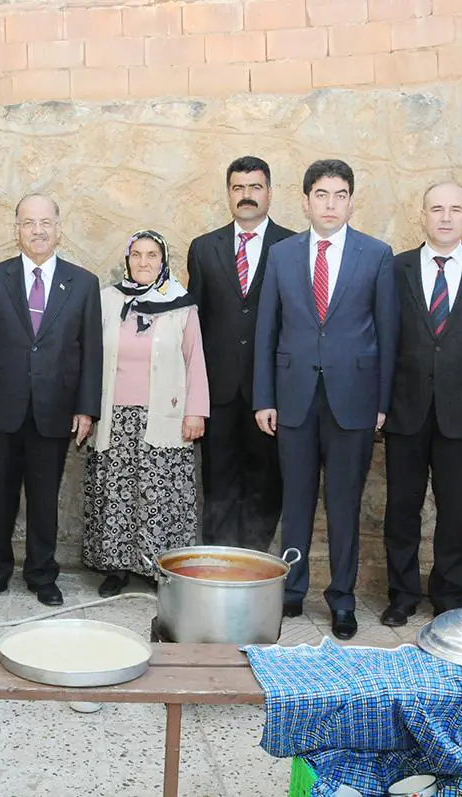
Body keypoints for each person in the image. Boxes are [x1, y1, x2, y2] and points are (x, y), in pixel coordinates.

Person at [254, 159, 398, 641]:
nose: (330, 204)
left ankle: (342, 599)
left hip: (352, 401)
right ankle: (292, 592)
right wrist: (263, 397)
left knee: (343, 505)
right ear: (305, 200)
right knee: (294, 504)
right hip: (293, 398)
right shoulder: (282, 253)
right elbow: (266, 330)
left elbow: (387, 333)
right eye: (321, 194)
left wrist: (381, 402)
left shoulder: (376, 254)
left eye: (339, 195)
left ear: (351, 201)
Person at [0, 194, 102, 607]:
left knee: (44, 500)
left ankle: (42, 575)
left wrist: (86, 407)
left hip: (54, 411)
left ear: (58, 228)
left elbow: (91, 351)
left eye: (45, 223)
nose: (37, 230)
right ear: (16, 229)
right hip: (0, 408)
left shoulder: (83, 283)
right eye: (28, 223)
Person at [381, 182, 462, 624]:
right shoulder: (396, 269)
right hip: (405, 411)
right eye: (436, 208)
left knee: (454, 511)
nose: (445, 217)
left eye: (455, 209)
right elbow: (383, 342)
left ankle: (450, 597)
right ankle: (401, 595)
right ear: (422, 215)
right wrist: (379, 405)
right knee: (401, 507)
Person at [84, 230, 209, 597]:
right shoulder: (108, 301)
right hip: (115, 418)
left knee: (159, 496)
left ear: (163, 260)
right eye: (136, 255)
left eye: (151, 255)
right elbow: (90, 356)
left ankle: (159, 568)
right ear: (127, 260)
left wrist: (196, 411)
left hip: (163, 417)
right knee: (117, 494)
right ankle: (117, 568)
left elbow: (195, 361)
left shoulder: (181, 305)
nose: (143, 262)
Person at [187, 156, 296, 552]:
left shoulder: (294, 246)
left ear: (269, 192)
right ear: (228, 193)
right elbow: (194, 324)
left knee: (267, 482)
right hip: (218, 389)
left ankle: (253, 565)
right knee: (218, 482)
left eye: (254, 187)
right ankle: (217, 567)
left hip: (272, 390)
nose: (246, 196)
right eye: (238, 188)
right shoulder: (203, 248)